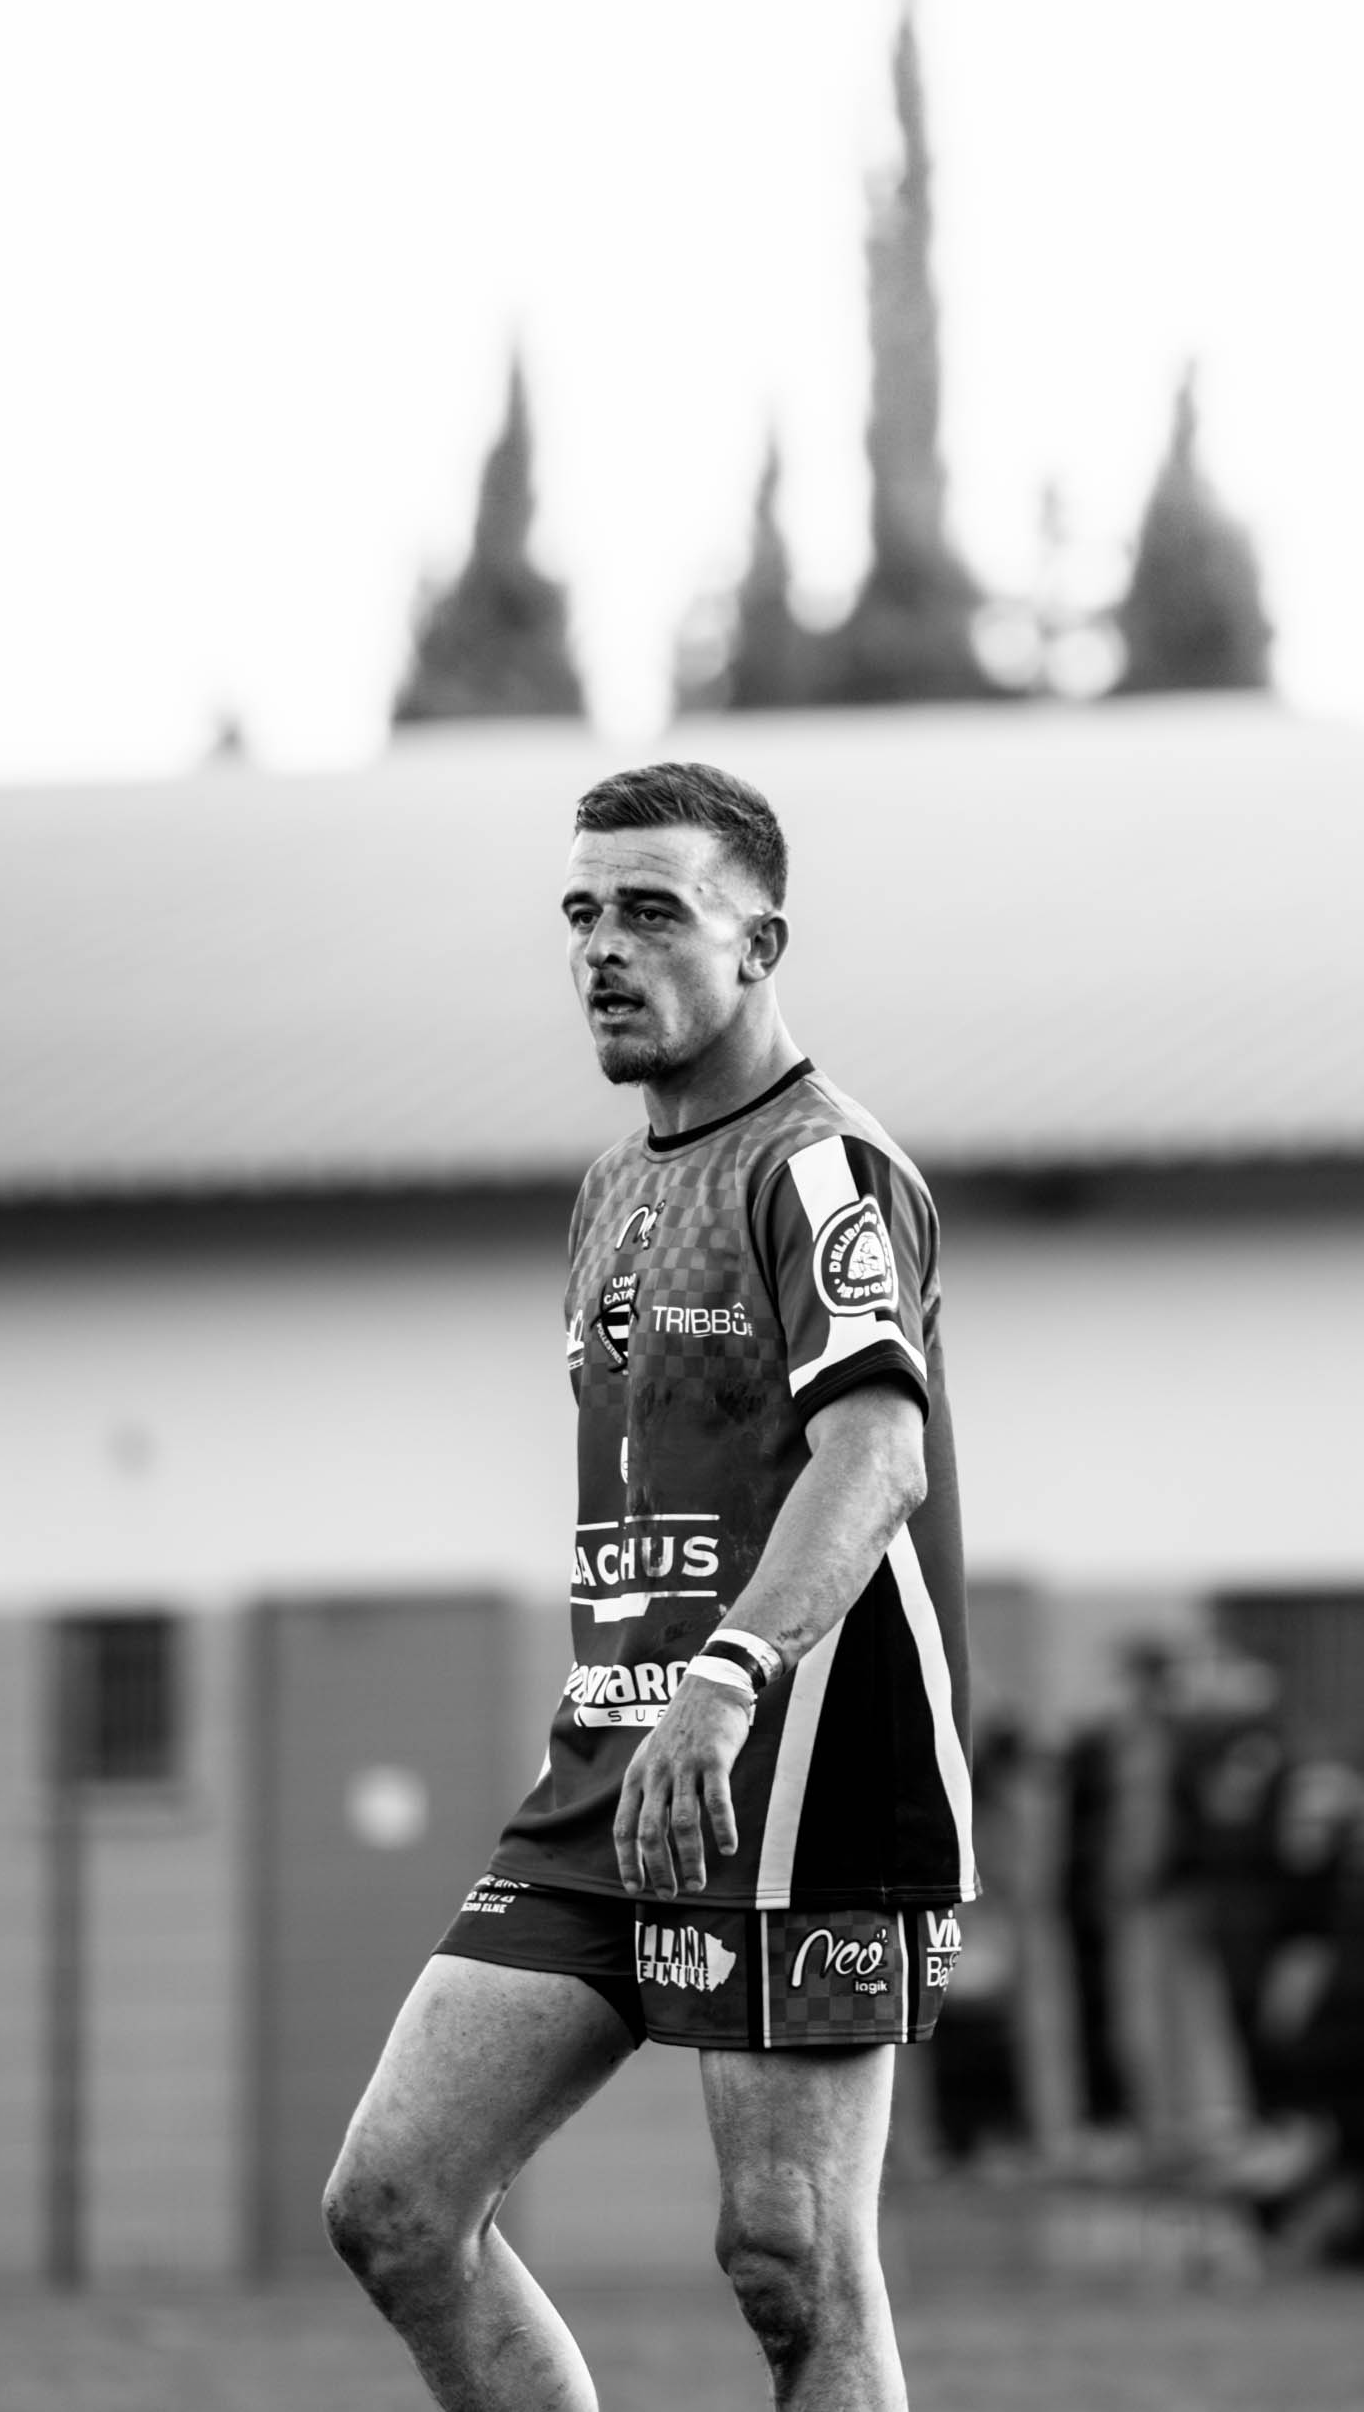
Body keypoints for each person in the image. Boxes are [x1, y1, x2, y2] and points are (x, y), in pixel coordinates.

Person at [325, 762, 974, 2412]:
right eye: (580, 912)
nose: (602, 947)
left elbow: (875, 1455)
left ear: (760, 942)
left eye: (651, 911)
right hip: (610, 1775)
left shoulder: (820, 1167)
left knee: (788, 2260)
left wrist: (729, 1675)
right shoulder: (612, 1187)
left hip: (804, 1769)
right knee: (395, 2203)